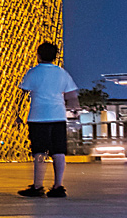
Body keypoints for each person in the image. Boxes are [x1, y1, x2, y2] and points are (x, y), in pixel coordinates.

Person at [15, 41, 80, 198]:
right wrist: (75, 111)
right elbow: (72, 96)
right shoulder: (62, 73)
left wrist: (17, 114)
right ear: (55, 57)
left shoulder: (33, 73)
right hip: (58, 116)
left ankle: (38, 186)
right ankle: (58, 186)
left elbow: (21, 94)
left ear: (38, 55)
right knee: (58, 151)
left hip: (38, 117)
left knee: (39, 152)